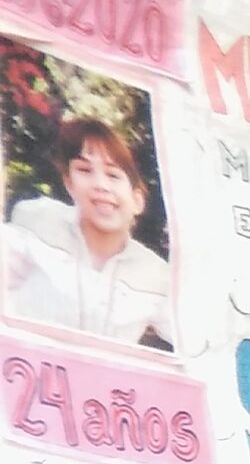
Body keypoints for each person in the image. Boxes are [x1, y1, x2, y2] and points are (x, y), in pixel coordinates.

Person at [4, 117, 173, 350]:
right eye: (84, 170)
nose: (100, 185)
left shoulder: (155, 275)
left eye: (113, 175)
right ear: (69, 184)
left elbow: (200, 339)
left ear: (137, 200)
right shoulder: (38, 222)